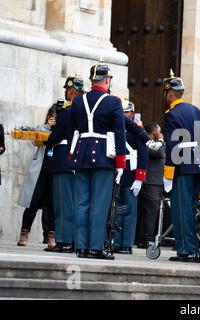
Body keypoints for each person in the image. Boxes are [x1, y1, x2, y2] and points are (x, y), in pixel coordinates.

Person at [68, 60, 127, 260]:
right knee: (100, 203)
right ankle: (95, 246)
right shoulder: (113, 102)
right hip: (104, 155)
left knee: (82, 202)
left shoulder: (77, 101)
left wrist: (72, 153)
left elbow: (72, 130)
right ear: (107, 80)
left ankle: (82, 246)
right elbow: (120, 132)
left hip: (82, 153)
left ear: (92, 80)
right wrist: (121, 160)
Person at [163, 70, 200, 263]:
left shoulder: (171, 114)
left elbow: (172, 145)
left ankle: (187, 250)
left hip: (181, 165)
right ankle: (192, 248)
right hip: (197, 163)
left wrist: (168, 174)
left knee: (181, 210)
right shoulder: (195, 110)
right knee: (190, 208)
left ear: (170, 94)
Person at [45, 75, 85, 253]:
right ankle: (75, 240)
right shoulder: (83, 110)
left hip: (63, 160)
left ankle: (64, 240)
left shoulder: (67, 111)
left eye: (67, 90)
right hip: (78, 160)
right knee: (75, 203)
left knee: (63, 204)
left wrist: (50, 135)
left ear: (70, 91)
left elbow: (57, 135)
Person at [17, 106, 57, 248]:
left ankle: (51, 237)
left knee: (54, 205)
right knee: (32, 203)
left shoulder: (64, 130)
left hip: (55, 171)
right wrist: (48, 126)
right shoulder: (43, 128)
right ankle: (24, 233)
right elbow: (35, 140)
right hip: (41, 171)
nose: (56, 119)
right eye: (53, 116)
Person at [113, 100, 149, 254]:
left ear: (132, 114)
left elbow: (143, 152)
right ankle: (117, 240)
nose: (124, 116)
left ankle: (126, 243)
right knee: (119, 209)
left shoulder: (137, 129)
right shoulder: (116, 128)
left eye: (126, 113)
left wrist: (140, 177)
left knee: (129, 210)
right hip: (119, 172)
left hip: (131, 173)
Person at [136, 123, 165, 249]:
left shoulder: (156, 143)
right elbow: (159, 153)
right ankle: (146, 239)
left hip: (156, 181)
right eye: (159, 131)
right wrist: (161, 139)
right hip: (150, 182)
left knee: (151, 212)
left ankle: (145, 237)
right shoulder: (148, 142)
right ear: (154, 132)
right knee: (150, 212)